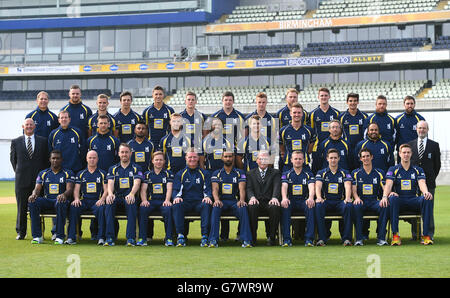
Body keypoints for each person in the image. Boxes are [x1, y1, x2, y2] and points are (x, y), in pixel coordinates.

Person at [382, 143, 434, 245]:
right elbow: (388, 184)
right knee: (392, 198)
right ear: (400, 154)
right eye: (404, 152)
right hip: (399, 200)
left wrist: (426, 192)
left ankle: (426, 236)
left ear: (411, 154)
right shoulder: (393, 169)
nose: (406, 154)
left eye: (408, 152)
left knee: (427, 199)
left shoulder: (418, 170)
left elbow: (422, 183)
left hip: (413, 200)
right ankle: (395, 235)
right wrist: (385, 196)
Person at [10, 118, 49, 240]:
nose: (29, 126)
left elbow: (45, 161)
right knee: (21, 207)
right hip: (22, 180)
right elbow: (13, 160)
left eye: (31, 125)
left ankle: (38, 233)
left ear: (34, 126)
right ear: (23, 126)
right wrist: (20, 173)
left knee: (37, 207)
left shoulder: (43, 141)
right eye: (27, 124)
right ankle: (21, 232)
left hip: (38, 182)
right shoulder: (16, 142)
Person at [28, 150, 75, 244]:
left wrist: (64, 195)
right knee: (33, 202)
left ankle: (59, 236)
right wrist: (34, 194)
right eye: (53, 158)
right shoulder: (43, 173)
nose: (55, 160)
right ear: (50, 159)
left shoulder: (68, 173)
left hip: (61, 200)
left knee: (60, 202)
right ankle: (37, 236)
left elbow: (69, 189)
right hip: (48, 200)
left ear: (61, 160)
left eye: (57, 158)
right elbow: (37, 188)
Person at [208, 151, 253, 248]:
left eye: (230, 156)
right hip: (222, 201)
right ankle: (213, 240)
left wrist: (241, 200)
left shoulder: (239, 173)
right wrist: (216, 200)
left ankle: (246, 240)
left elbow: (242, 188)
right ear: (222, 158)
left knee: (243, 208)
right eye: (226, 156)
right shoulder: (217, 173)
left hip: (234, 201)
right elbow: (214, 189)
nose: (228, 158)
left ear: (233, 158)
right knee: (215, 208)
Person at [104, 143, 143, 246]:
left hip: (129, 197)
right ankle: (110, 238)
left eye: (126, 152)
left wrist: (131, 194)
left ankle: (130, 238)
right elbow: (110, 183)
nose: (124, 154)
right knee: (109, 203)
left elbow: (137, 183)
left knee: (131, 203)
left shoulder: (136, 168)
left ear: (130, 153)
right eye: (122, 152)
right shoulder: (112, 168)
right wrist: (110, 194)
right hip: (117, 197)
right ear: (118, 154)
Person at [171, 149, 213, 247]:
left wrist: (207, 196)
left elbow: (208, 189)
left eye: (194, 157)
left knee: (207, 204)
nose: (192, 159)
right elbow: (176, 189)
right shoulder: (180, 174)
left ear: (198, 158)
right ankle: (180, 236)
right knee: (177, 204)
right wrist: (177, 197)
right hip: (186, 202)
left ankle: (205, 237)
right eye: (190, 157)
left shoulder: (205, 174)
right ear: (186, 158)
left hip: (199, 202)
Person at [66, 150, 108, 245]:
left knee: (102, 209)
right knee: (73, 207)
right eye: (90, 158)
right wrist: (76, 199)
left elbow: (106, 190)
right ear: (86, 159)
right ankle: (71, 237)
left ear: (97, 159)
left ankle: (101, 237)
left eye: (94, 158)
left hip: (96, 201)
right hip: (84, 201)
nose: (92, 160)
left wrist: (102, 200)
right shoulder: (81, 174)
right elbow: (76, 189)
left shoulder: (102, 173)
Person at [408, 120, 441, 239]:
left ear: (427, 130)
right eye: (420, 128)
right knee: (414, 209)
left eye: (424, 128)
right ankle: (415, 234)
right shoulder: (410, 145)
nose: (422, 130)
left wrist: (430, 177)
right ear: (416, 129)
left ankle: (429, 234)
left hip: (429, 183)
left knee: (429, 209)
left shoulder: (434, 145)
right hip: (413, 184)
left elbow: (437, 165)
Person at [314, 148, 353, 246]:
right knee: (318, 205)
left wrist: (347, 198)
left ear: (339, 158)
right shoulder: (321, 172)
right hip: (326, 201)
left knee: (348, 206)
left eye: (335, 158)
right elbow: (318, 185)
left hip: (340, 202)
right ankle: (322, 239)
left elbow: (347, 185)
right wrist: (319, 197)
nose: (333, 160)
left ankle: (347, 239)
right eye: (331, 158)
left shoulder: (345, 172)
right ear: (327, 159)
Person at [351, 148, 389, 246]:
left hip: (374, 201)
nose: (366, 158)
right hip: (361, 201)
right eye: (363, 156)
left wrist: (385, 197)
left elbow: (385, 187)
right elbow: (353, 190)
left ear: (372, 157)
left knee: (384, 205)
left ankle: (381, 238)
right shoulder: (355, 173)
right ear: (360, 159)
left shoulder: (379, 172)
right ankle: (359, 239)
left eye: (367, 156)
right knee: (356, 206)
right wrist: (356, 198)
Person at [138, 151, 174, 246]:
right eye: (156, 160)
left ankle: (169, 238)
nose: (158, 162)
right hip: (151, 201)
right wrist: (144, 200)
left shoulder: (168, 173)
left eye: (161, 160)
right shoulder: (147, 174)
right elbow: (143, 189)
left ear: (164, 162)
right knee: (143, 208)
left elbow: (169, 188)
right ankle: (142, 238)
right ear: (153, 161)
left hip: (163, 201)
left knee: (168, 209)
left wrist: (167, 200)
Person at [280, 151, 316, 247]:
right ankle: (287, 240)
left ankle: (309, 240)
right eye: (295, 159)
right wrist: (284, 198)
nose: (298, 161)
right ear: (291, 160)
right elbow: (284, 186)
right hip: (291, 201)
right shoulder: (286, 174)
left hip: (303, 201)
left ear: (303, 160)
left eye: (300, 159)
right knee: (285, 206)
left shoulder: (309, 174)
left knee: (310, 206)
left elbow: (312, 187)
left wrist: (311, 198)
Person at [246, 150, 281, 246]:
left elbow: (277, 186)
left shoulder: (275, 173)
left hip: (269, 201)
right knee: (252, 206)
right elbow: (248, 188)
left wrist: (274, 198)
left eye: (265, 159)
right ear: (257, 160)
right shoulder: (250, 173)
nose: (263, 161)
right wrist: (252, 197)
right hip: (256, 201)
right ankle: (253, 237)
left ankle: (272, 237)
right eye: (261, 159)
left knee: (275, 206)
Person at [309, 87, 340, 174]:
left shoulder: (336, 113)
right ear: (318, 97)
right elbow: (311, 132)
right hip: (318, 147)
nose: (324, 97)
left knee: (333, 170)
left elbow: (339, 130)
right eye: (321, 95)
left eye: (326, 95)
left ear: (329, 97)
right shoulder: (312, 114)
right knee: (317, 171)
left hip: (333, 145)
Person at [279, 102, 315, 172]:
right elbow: (281, 146)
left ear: (302, 114)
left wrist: (305, 153)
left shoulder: (309, 130)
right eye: (294, 112)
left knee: (310, 182)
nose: (296, 115)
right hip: (288, 165)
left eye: (299, 113)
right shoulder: (283, 130)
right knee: (283, 182)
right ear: (290, 113)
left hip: (305, 165)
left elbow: (311, 145)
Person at [338, 93, 368, 170]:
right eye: (350, 101)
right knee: (348, 169)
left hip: (361, 148)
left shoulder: (364, 116)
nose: (353, 103)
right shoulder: (341, 117)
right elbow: (339, 133)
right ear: (347, 102)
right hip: (347, 148)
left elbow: (366, 133)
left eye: (355, 101)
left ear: (358, 102)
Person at [142, 86, 175, 150]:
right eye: (156, 94)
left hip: (165, 142)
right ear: (152, 95)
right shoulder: (147, 111)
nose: (158, 96)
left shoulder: (170, 110)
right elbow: (144, 128)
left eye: (160, 94)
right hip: (151, 142)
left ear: (163, 95)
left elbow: (173, 127)